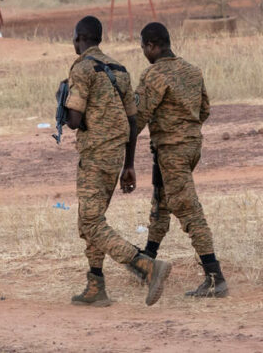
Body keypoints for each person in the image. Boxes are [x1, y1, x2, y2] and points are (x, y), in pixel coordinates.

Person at [64, 16, 172, 307]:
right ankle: (95, 284)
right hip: (115, 157)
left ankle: (145, 266)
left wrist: (62, 104)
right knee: (91, 219)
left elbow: (74, 120)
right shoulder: (119, 70)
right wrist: (129, 164)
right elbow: (133, 120)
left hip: (95, 156)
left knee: (90, 221)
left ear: (79, 39)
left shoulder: (82, 68)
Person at [132, 22, 228, 298]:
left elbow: (139, 117)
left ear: (151, 45)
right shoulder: (192, 70)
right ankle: (146, 262)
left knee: (188, 210)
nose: (143, 53)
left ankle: (215, 278)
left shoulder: (153, 74)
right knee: (162, 202)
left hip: (171, 150)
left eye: (143, 47)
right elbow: (205, 110)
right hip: (191, 147)